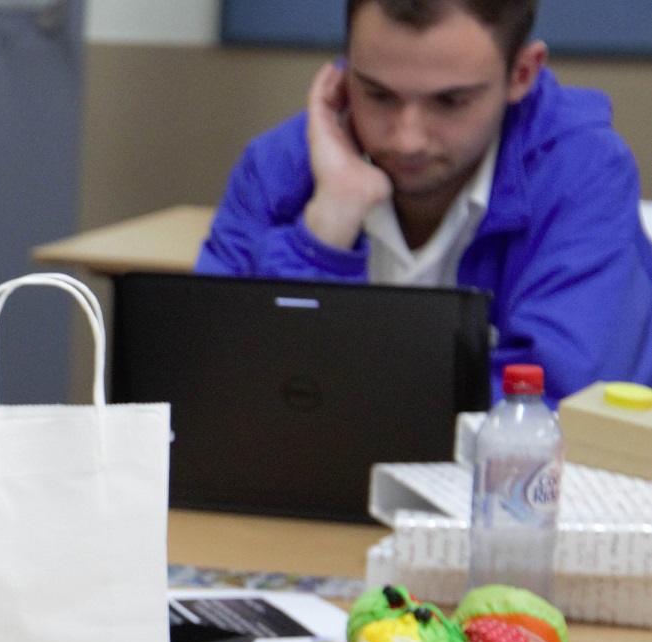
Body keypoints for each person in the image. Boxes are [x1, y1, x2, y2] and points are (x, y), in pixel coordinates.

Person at [197, 0, 652, 404]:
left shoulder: (582, 172)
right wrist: (324, 232)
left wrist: (344, 399)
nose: (407, 139)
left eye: (450, 101)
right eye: (378, 94)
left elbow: (554, 408)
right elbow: (212, 386)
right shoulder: (276, 169)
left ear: (521, 74)